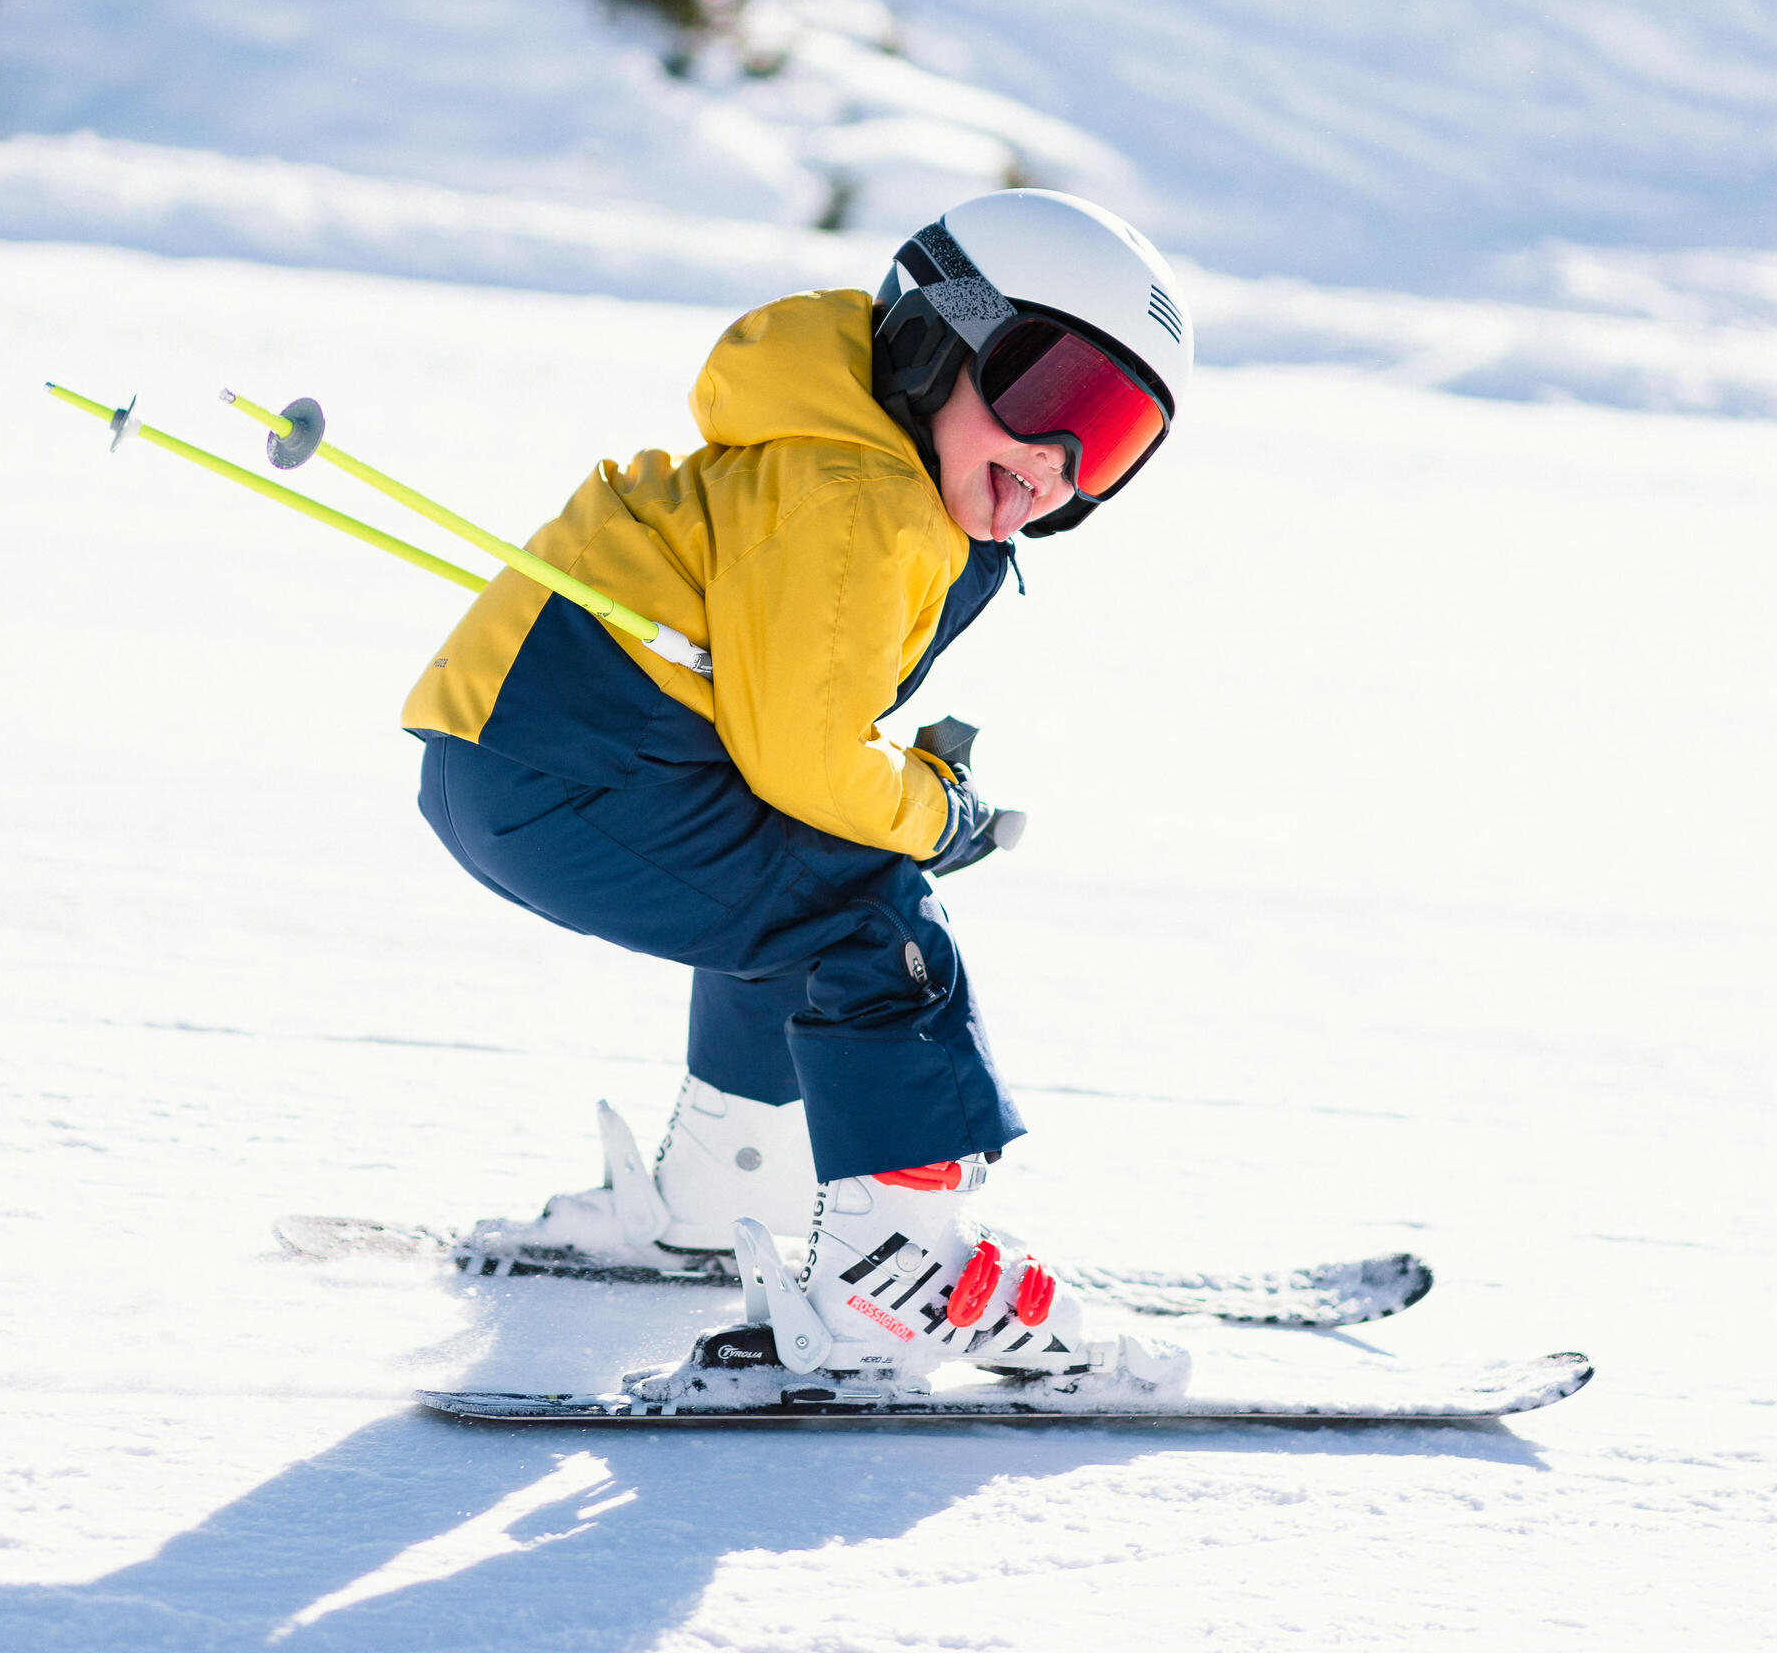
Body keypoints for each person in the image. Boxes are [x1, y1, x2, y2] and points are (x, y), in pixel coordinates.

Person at [403, 188, 1190, 1376]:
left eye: (1112, 440)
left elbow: (790, 742)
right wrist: (935, 808)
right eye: (1050, 395)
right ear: (937, 335)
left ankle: (723, 1187)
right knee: (875, 919)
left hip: (530, 759)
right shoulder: (860, 495)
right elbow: (810, 761)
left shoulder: (847, 459)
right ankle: (897, 1278)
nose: (1058, 460)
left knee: (801, 883)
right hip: (576, 769)